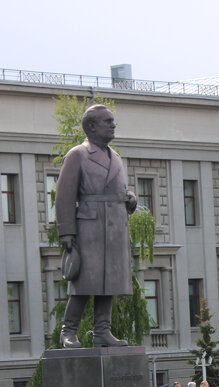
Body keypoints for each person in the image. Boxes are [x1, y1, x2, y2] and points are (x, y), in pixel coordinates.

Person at [55, 104, 139, 348]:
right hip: (89, 227)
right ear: (91, 126)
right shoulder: (78, 154)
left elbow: (117, 190)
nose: (113, 125)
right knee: (84, 283)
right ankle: (68, 331)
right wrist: (67, 231)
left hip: (114, 227)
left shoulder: (116, 158)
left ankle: (102, 331)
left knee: (109, 282)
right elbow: (65, 195)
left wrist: (130, 199)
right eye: (107, 121)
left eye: (113, 121)